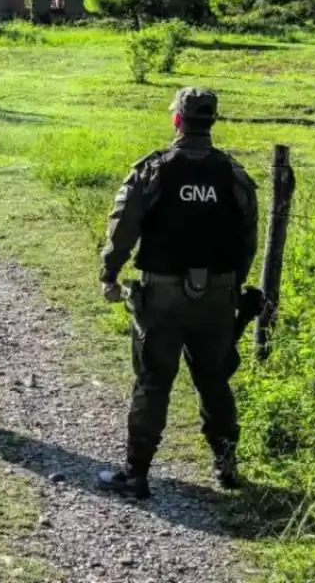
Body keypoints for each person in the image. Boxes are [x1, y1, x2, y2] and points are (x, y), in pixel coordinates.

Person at [96, 87, 258, 499]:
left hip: (163, 298)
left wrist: (110, 273)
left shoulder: (153, 170)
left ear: (176, 121)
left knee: (152, 382)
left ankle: (136, 474)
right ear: (212, 122)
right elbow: (248, 239)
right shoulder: (234, 174)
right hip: (218, 300)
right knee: (215, 381)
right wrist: (231, 286)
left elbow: (122, 225)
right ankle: (226, 467)